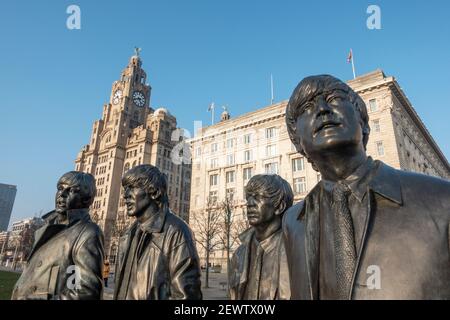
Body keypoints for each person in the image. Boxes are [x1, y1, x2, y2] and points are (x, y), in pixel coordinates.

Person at [283, 74, 450, 300]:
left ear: (363, 123)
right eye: (307, 108)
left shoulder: (442, 199)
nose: (322, 109)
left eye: (334, 99)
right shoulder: (293, 221)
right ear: (298, 143)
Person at [113, 164, 202, 300]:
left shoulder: (177, 232)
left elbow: (186, 297)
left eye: (132, 188)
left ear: (154, 192)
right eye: (125, 189)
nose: (125, 196)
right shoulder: (127, 235)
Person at [11, 171, 104, 300]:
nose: (62, 194)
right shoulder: (47, 228)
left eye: (71, 190)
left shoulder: (87, 233)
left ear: (86, 198)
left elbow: (86, 292)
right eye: (60, 188)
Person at [229, 174, 292, 300]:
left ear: (279, 206)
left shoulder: (296, 252)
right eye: (248, 198)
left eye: (258, 197)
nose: (249, 204)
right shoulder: (239, 254)